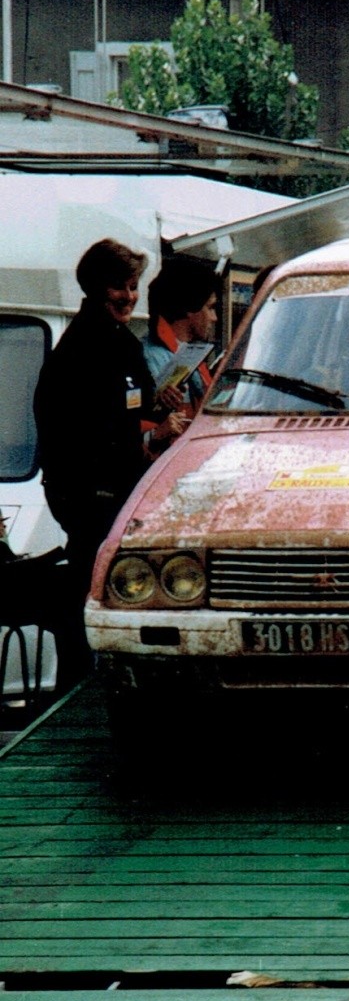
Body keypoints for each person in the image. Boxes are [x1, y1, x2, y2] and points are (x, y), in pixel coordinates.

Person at [33, 239, 178, 679]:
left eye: (134, 287)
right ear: (96, 288)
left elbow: (138, 406)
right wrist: (148, 444)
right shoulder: (81, 351)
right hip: (90, 495)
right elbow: (89, 434)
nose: (129, 297)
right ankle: (84, 686)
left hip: (115, 492)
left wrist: (160, 408)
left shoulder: (120, 341)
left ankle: (102, 680)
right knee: (93, 589)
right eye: (120, 287)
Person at [141, 256, 221, 449]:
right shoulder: (150, 357)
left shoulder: (190, 355)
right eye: (210, 308)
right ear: (189, 308)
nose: (214, 318)